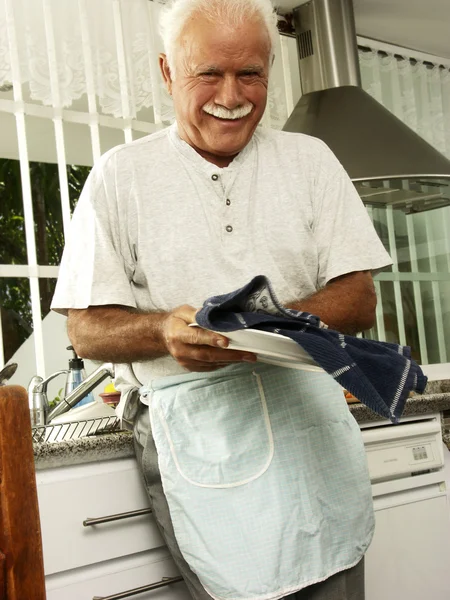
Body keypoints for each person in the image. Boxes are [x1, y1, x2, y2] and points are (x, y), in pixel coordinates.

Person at [51, 0, 392, 598]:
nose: (231, 95)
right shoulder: (120, 176)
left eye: (251, 73)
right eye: (208, 72)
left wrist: (270, 328)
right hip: (198, 440)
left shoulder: (310, 162)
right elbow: (86, 330)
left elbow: (358, 297)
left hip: (311, 426)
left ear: (269, 71)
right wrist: (163, 332)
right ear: (167, 71)